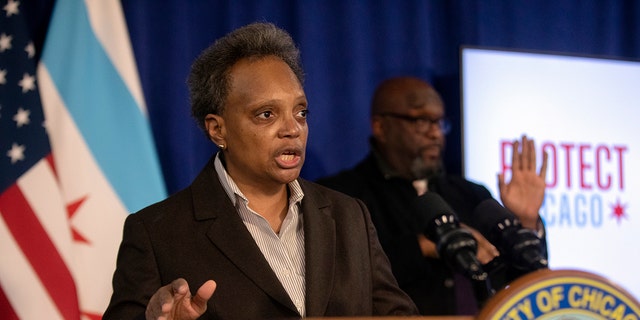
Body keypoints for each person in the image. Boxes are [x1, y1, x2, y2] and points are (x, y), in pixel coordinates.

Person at [103, 23, 418, 319]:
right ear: (218, 130)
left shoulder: (349, 216)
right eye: (267, 114)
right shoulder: (157, 232)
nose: (293, 129)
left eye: (301, 112)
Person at [316, 76, 548, 315]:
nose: (436, 134)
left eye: (439, 123)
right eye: (422, 121)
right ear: (380, 127)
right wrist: (423, 246)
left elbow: (522, 285)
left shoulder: (472, 195)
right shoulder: (340, 197)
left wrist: (525, 223)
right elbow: (340, 278)